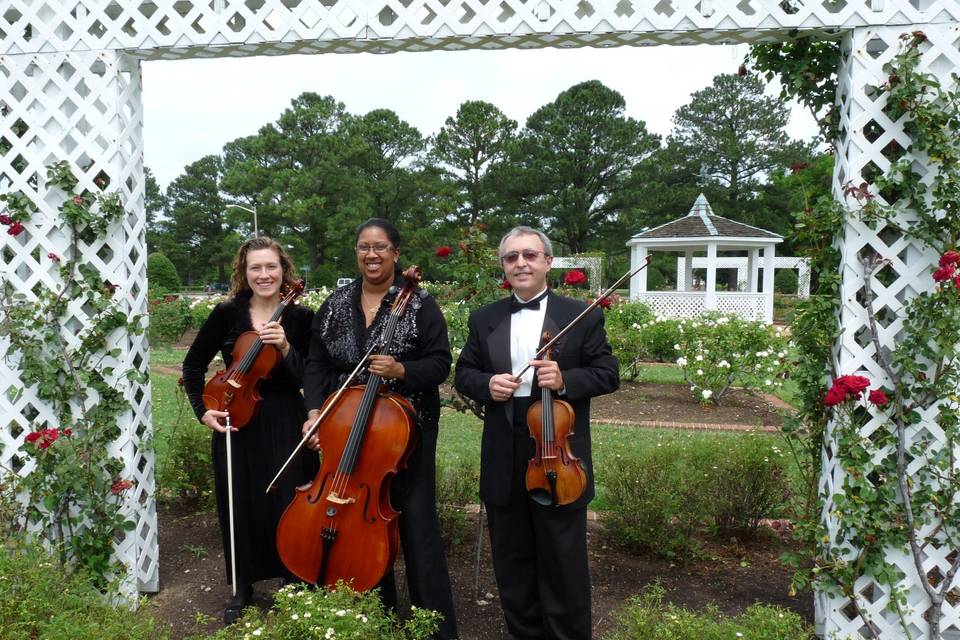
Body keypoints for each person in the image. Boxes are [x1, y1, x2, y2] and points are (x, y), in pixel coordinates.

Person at [454, 226, 619, 640]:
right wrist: (487, 385)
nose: (520, 263)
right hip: (504, 447)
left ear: (548, 262)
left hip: (557, 450)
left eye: (529, 255)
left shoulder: (580, 315)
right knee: (512, 561)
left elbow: (607, 373)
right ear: (503, 266)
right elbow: (465, 374)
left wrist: (565, 378)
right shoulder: (484, 318)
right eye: (511, 257)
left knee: (563, 561)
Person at [301, 218, 459, 640]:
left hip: (404, 435)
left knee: (417, 527)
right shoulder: (335, 303)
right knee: (360, 525)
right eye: (363, 247)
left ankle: (434, 630)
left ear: (395, 253)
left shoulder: (420, 304)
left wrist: (402, 368)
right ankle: (376, 618)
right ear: (357, 253)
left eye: (380, 247)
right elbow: (317, 362)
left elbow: (441, 363)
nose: (372, 255)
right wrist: (314, 409)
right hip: (346, 429)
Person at [182, 237, 316, 624]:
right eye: (255, 268)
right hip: (234, 416)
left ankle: (294, 578)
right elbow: (192, 367)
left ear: (283, 269)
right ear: (244, 271)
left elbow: (312, 377)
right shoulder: (227, 314)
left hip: (285, 418)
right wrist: (201, 411)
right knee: (237, 500)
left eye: (270, 267)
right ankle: (242, 584)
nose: (264, 275)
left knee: (289, 498)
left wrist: (288, 349)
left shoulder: (301, 318)